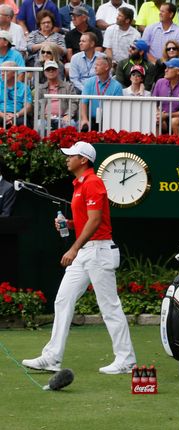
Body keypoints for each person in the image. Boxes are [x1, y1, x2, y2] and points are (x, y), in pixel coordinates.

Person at [22, 140, 137, 375]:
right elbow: (88, 220)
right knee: (63, 300)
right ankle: (52, 357)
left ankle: (126, 359)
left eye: (71, 155)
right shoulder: (79, 184)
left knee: (109, 307)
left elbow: (96, 222)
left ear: (83, 160)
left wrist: (73, 248)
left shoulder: (93, 183)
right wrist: (69, 224)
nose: (67, 158)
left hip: (98, 251)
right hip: (87, 251)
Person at [151, 57, 179, 134]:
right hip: (164, 117)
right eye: (166, 67)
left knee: (174, 121)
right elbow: (153, 103)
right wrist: (158, 114)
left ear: (178, 71)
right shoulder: (160, 82)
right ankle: (156, 145)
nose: (165, 70)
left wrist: (167, 115)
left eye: (169, 68)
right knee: (155, 119)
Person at [79, 56, 122, 132]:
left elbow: (118, 107)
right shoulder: (89, 82)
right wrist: (84, 119)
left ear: (106, 67)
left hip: (110, 120)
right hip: (91, 120)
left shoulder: (117, 86)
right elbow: (84, 102)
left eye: (98, 65)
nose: (95, 67)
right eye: (95, 65)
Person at [39, 60, 77, 129]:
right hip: (45, 118)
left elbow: (73, 102)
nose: (51, 71)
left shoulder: (68, 86)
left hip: (63, 117)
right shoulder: (40, 88)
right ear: (44, 72)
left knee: (71, 124)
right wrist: (43, 115)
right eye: (48, 69)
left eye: (53, 69)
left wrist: (68, 115)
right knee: (39, 125)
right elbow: (37, 104)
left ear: (58, 71)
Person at [0, 60, 31, 127]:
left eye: (6, 71)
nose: (2, 73)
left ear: (14, 73)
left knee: (23, 122)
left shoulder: (24, 87)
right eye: (1, 71)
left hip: (17, 115)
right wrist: (3, 116)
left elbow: (28, 106)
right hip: (1, 114)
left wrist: (16, 115)